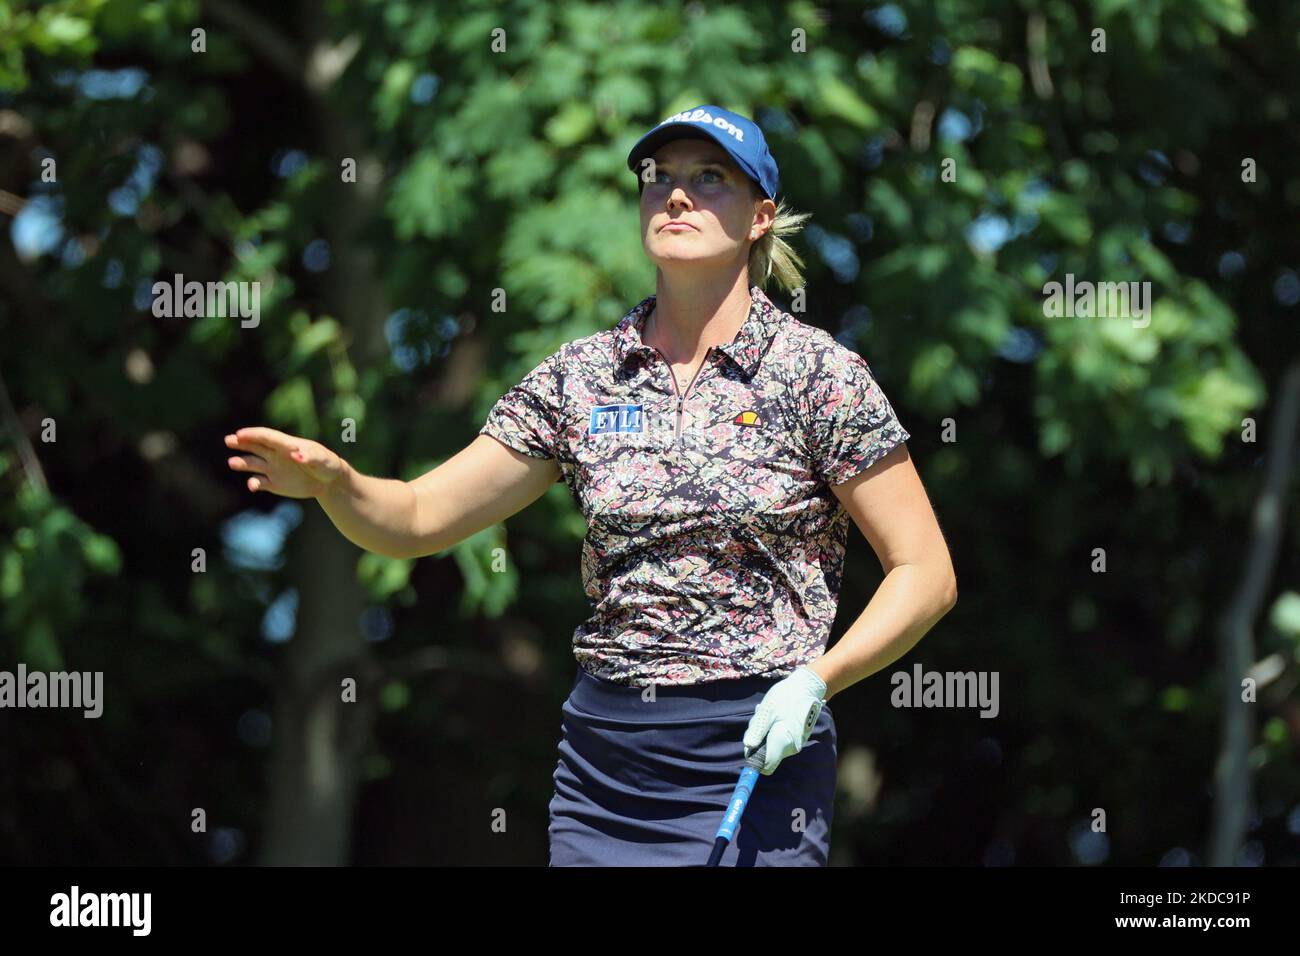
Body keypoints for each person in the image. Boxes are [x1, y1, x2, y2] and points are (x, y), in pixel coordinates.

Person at [223, 104, 957, 866]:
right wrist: (341, 485)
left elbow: (926, 573)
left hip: (756, 742)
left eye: (709, 179)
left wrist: (817, 680)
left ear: (760, 218)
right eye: (658, 179)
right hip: (606, 760)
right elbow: (415, 518)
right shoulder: (582, 377)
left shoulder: (818, 376)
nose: (675, 197)